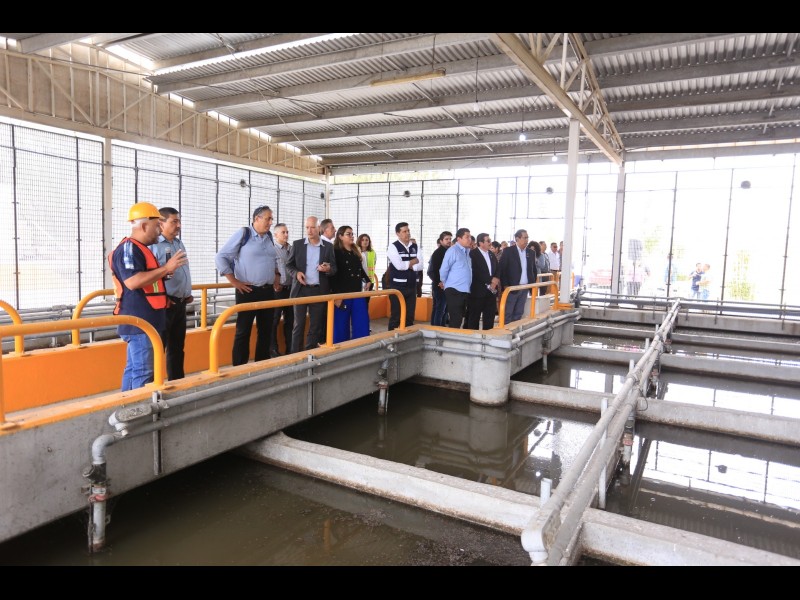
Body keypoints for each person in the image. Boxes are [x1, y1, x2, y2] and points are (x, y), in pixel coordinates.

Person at [110, 201, 187, 391]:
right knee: (144, 372)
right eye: (156, 225)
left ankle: (127, 403)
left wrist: (164, 274)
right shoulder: (129, 249)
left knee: (135, 370)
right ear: (144, 226)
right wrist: (166, 268)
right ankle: (140, 406)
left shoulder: (142, 249)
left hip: (148, 321)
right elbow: (132, 281)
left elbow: (148, 280)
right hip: (140, 323)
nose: (160, 230)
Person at [214, 205, 282, 366]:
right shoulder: (244, 234)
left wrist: (276, 276)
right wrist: (234, 281)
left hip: (268, 291)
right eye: (268, 219)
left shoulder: (269, 237)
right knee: (243, 331)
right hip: (248, 291)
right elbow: (221, 257)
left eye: (271, 219)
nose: (270, 222)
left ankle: (261, 365)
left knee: (266, 331)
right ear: (257, 218)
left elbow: (272, 259)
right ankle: (239, 367)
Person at [149, 207, 192, 380]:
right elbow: (149, 276)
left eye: (179, 221)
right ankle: (154, 384)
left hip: (180, 303)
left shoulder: (178, 243)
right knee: (159, 347)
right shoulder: (153, 246)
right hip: (164, 305)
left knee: (177, 348)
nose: (178, 225)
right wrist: (163, 297)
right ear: (161, 223)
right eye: (174, 221)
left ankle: (177, 382)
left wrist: (186, 291)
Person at [285, 216, 337, 352]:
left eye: (312, 227)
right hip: (300, 290)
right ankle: (295, 355)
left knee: (315, 326)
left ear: (319, 228)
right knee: (298, 325)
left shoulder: (328, 247)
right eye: (307, 227)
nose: (309, 230)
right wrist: (296, 273)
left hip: (319, 290)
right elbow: (289, 265)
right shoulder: (297, 245)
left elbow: (334, 268)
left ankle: (310, 354)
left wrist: (328, 269)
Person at [331, 225, 371, 343]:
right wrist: (336, 295)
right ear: (340, 236)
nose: (352, 236)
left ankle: (361, 344)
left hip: (357, 292)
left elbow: (360, 269)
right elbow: (333, 275)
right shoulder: (335, 252)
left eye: (352, 234)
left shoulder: (355, 251)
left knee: (361, 322)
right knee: (340, 325)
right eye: (348, 234)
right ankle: (341, 348)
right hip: (342, 293)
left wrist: (367, 280)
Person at [386, 222, 423, 330]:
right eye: (404, 231)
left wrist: (408, 265)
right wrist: (413, 262)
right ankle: (391, 338)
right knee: (396, 316)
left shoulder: (415, 246)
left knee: (409, 317)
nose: (407, 233)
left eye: (408, 231)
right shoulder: (393, 247)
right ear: (398, 233)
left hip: (412, 287)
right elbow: (399, 266)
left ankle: (407, 338)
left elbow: (420, 265)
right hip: (397, 287)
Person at [498, 229, 537, 324]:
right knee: (507, 313)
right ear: (517, 239)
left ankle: (515, 331)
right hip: (511, 288)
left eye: (527, 238)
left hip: (525, 288)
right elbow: (502, 269)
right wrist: (505, 285)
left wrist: (532, 284)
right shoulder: (508, 251)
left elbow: (533, 270)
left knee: (519, 313)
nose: (527, 240)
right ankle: (505, 331)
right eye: (525, 238)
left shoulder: (531, 253)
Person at [439, 228, 472, 329]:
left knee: (460, 318)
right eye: (467, 237)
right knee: (455, 319)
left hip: (464, 289)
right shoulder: (453, 250)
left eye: (470, 237)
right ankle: (450, 338)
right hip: (454, 289)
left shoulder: (467, 252)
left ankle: (454, 337)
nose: (469, 239)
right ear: (459, 239)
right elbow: (444, 269)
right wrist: (444, 282)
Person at [270, 222, 293, 357]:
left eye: (287, 232)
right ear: (276, 235)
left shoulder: (291, 249)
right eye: (283, 232)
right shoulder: (271, 250)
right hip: (278, 290)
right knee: (274, 320)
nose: (286, 234)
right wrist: (275, 282)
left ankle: (291, 348)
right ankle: (273, 350)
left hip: (291, 289)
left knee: (290, 320)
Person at [468, 233, 500, 330]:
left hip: (491, 291)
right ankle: (474, 337)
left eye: (490, 240)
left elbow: (497, 269)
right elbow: (475, 271)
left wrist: (495, 280)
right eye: (488, 241)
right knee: (474, 317)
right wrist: (490, 280)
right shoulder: (473, 254)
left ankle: (488, 335)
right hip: (477, 291)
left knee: (490, 316)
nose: (490, 243)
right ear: (481, 243)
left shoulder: (491, 254)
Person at [427, 231, 452, 327]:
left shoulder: (448, 252)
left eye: (450, 239)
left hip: (446, 284)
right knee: (440, 308)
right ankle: (437, 328)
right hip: (440, 285)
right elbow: (432, 271)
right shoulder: (438, 253)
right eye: (446, 239)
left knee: (443, 309)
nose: (449, 241)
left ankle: (440, 327)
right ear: (441, 241)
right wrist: (439, 282)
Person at [357, 233, 379, 312]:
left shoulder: (372, 252)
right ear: (359, 241)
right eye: (362, 240)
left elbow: (374, 263)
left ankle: (364, 316)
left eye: (367, 240)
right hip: (359, 280)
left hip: (370, 281)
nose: (365, 242)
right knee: (358, 301)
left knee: (366, 301)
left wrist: (369, 280)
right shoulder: (356, 251)